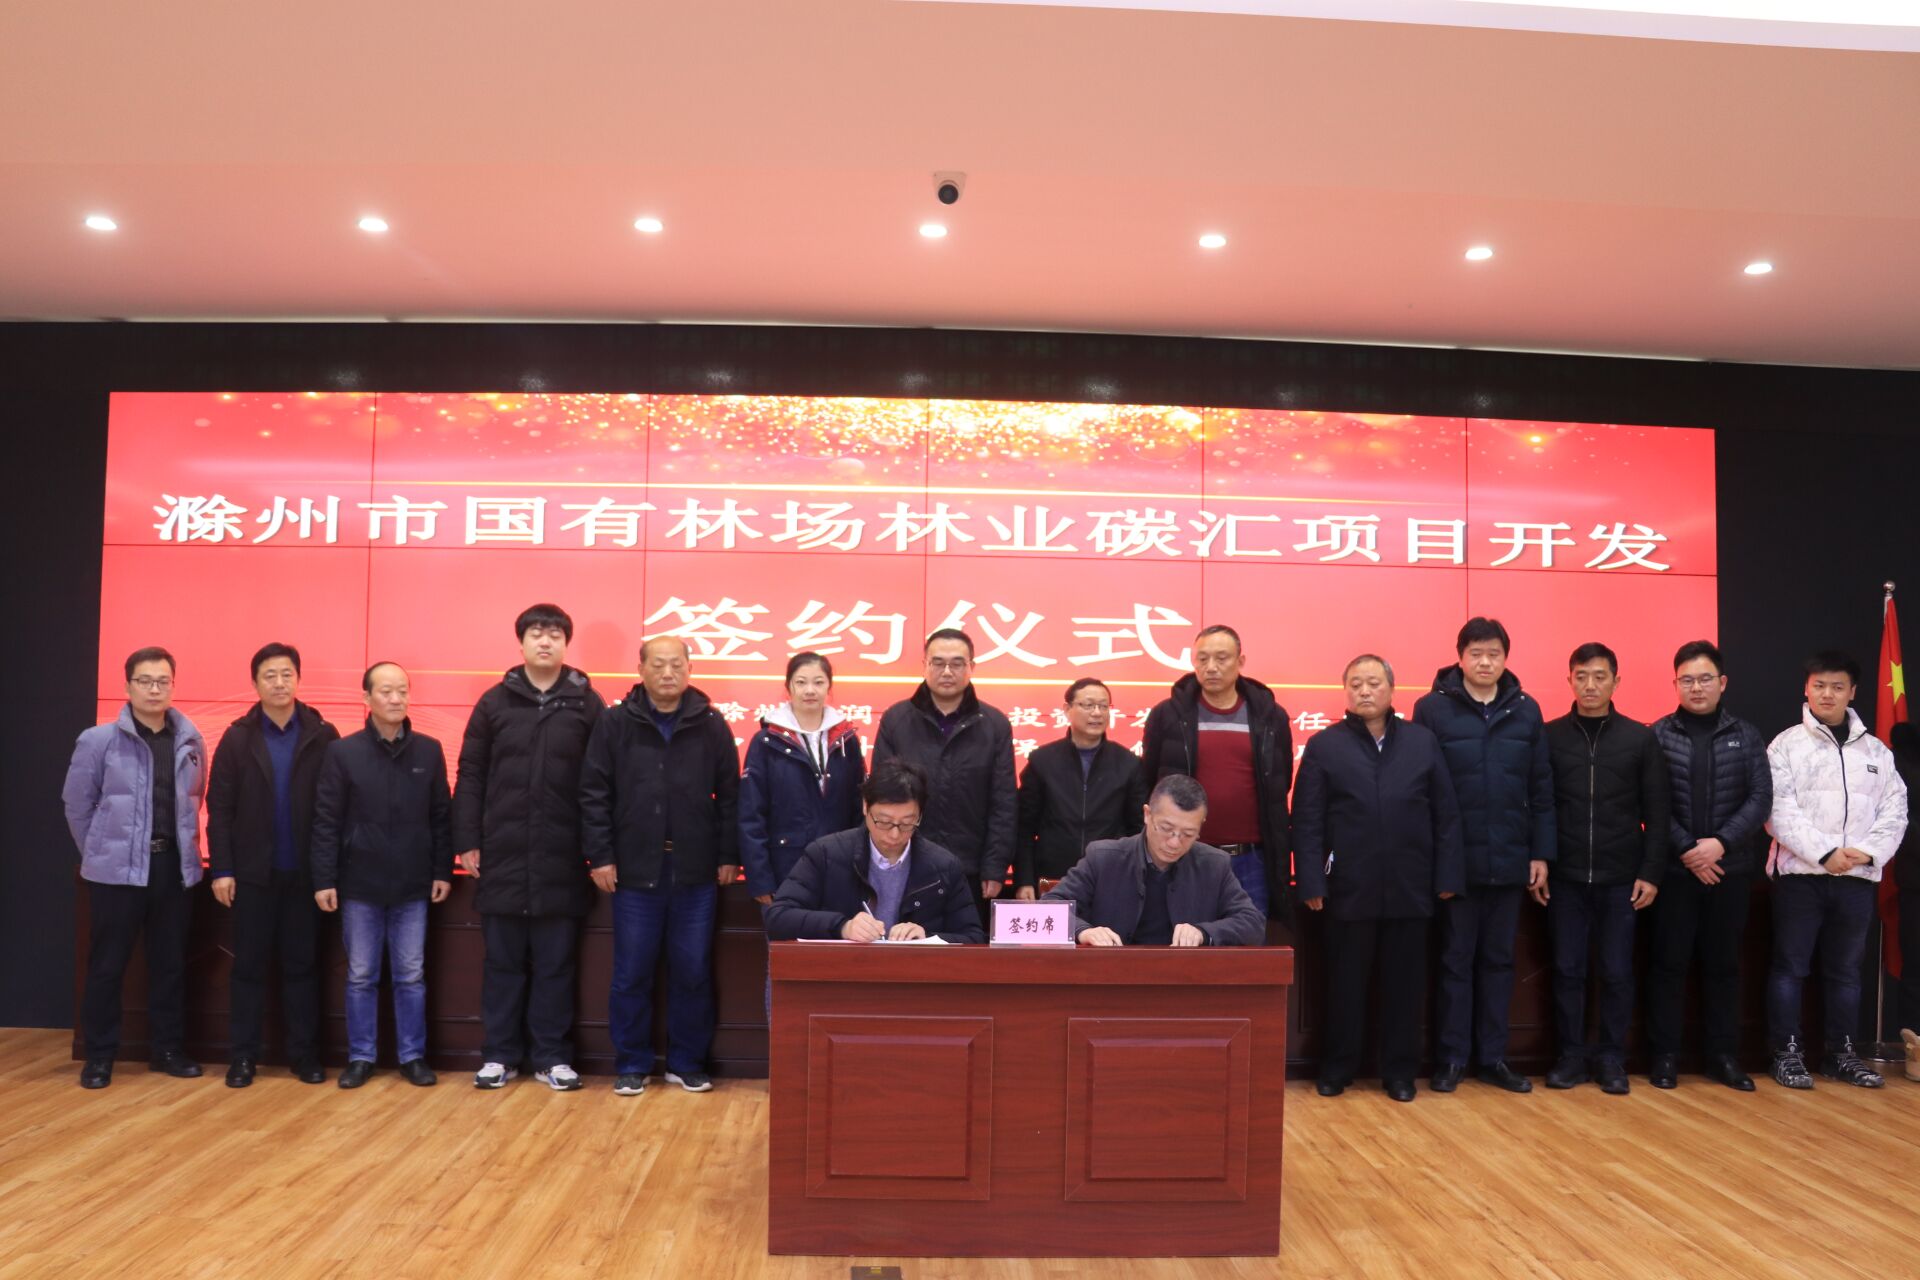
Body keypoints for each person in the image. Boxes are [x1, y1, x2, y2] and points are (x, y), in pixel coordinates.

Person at [1295, 656, 1463, 1102]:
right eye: (1356, 684)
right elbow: (1307, 819)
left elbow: (1445, 814)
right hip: (1348, 888)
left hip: (1411, 886)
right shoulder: (1325, 745)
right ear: (1345, 691)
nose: (1364, 691)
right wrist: (1311, 881)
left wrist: (1447, 874)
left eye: (1373, 683)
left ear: (1392, 689)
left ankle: (1400, 1072)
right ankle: (1337, 1068)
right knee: (1344, 984)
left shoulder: (1422, 743)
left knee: (1404, 986)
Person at [453, 604, 605, 1093]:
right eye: (537, 633)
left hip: (563, 855)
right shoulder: (494, 702)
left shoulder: (587, 703)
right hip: (502, 854)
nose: (545, 641)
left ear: (566, 644)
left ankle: (552, 1057)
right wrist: (467, 839)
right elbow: (471, 773)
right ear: (520, 642)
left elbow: (601, 782)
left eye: (555, 634)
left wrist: (597, 848)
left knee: (557, 966)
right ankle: (499, 1055)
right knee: (502, 965)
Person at [580, 636, 740, 1098]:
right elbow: (594, 792)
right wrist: (600, 855)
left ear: (689, 669)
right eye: (658, 665)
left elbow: (730, 796)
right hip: (634, 869)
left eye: (676, 664)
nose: (668, 673)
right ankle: (632, 1063)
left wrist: (728, 855)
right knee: (632, 972)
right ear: (641, 670)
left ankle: (687, 1063)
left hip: (695, 869)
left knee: (692, 970)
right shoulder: (615, 723)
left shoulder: (711, 723)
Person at [1412, 617, 1553, 1094]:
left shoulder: (1526, 710)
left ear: (1506, 658)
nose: (1485, 662)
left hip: (1510, 860)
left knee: (1498, 962)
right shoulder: (1432, 708)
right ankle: (1451, 1059)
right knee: (1454, 961)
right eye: (1476, 653)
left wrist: (1540, 853)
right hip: (1455, 863)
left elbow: (1541, 788)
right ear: (1460, 657)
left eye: (1494, 653)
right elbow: (1421, 788)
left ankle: (1493, 1058)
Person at [62, 646, 207, 1089]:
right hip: (116, 874)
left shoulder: (190, 740)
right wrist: (99, 852)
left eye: (163, 681)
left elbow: (195, 799)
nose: (154, 689)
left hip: (172, 869)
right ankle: (99, 1056)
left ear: (173, 685)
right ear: (127, 686)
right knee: (107, 967)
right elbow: (76, 805)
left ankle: (168, 1050)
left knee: (169, 965)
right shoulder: (98, 740)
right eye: (145, 681)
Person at [1764, 651, 1909, 1089]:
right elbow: (1778, 812)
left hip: (1856, 881)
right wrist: (1825, 853)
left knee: (1846, 973)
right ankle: (1787, 1053)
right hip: (1800, 878)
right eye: (1819, 685)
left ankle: (1840, 1054)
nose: (1827, 694)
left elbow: (1895, 811)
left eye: (1837, 686)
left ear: (1852, 692)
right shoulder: (1785, 745)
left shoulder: (1876, 751)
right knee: (1790, 968)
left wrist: (1865, 853)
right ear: (1806, 689)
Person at [311, 661, 453, 1090]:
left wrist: (442, 869)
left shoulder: (429, 750)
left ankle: (412, 1056)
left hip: (413, 883)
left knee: (411, 975)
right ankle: (361, 1056)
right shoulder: (343, 752)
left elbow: (441, 816)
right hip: (359, 884)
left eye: (403, 691)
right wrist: (324, 878)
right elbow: (326, 820)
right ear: (366, 698)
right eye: (386, 691)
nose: (396, 699)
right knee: (360, 976)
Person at [205, 642, 340, 1087]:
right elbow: (220, 808)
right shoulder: (237, 737)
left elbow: (335, 809)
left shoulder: (323, 734)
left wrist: (328, 872)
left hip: (305, 877)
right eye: (270, 675)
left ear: (298, 679)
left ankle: (304, 1055)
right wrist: (222, 868)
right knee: (248, 969)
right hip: (251, 877)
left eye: (287, 674)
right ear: (255, 683)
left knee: (303, 968)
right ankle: (243, 1057)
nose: (279, 683)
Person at [1540, 642, 1670, 1096]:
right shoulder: (1549, 736)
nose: (1590, 685)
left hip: (1621, 879)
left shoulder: (1640, 738)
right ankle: (1571, 1056)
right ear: (1569, 680)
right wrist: (1541, 862)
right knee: (1567, 970)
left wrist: (1651, 872)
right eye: (1581, 676)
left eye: (1599, 676)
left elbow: (1658, 812)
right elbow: (1538, 806)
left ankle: (1612, 1057)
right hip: (1565, 877)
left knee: (1616, 972)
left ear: (1616, 681)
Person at [1644, 640, 1771, 1091]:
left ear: (1722, 682)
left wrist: (1720, 844)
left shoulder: (1747, 735)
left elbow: (1760, 798)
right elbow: (1652, 803)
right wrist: (1688, 850)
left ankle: (1723, 1057)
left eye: (1704, 679)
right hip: (1675, 873)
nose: (1695, 687)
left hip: (1729, 871)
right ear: (1675, 684)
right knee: (1668, 965)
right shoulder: (1658, 734)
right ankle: (1664, 1057)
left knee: (1724, 967)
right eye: (1687, 680)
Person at [1139, 624, 1292, 920]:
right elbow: (1149, 781)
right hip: (1184, 853)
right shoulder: (1167, 715)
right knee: (1182, 939)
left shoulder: (1270, 715)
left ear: (1240, 661)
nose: (1211, 667)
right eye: (1202, 659)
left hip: (1252, 858)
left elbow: (1279, 781)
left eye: (1221, 658)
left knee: (1248, 939)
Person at [871, 629, 1016, 917]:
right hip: (905, 860)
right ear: (924, 665)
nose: (947, 671)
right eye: (938, 663)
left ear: (972, 667)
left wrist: (995, 866)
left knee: (965, 942)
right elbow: (880, 796)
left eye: (957, 663)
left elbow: (1004, 802)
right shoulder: (896, 719)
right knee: (902, 939)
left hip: (970, 867)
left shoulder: (994, 724)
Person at [764, 761, 984, 943]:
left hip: (914, 976)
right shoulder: (826, 854)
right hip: (843, 973)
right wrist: (842, 927)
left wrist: (927, 936)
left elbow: (973, 937)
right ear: (865, 807)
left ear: (920, 816)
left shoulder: (943, 866)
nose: (894, 835)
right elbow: (777, 918)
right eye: (884, 822)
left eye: (907, 823)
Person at [1041, 774, 1265, 947]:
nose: (1174, 843)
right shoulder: (1103, 858)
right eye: (1166, 829)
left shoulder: (1214, 864)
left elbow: (1253, 923)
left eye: (1188, 834)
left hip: (1184, 981)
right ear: (1147, 815)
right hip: (1112, 978)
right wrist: (1083, 931)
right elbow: (1046, 910)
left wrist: (1204, 933)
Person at [740, 651, 867, 906]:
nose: (810, 690)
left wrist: (860, 868)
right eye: (801, 682)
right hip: (783, 868)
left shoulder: (846, 740)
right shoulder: (766, 742)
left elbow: (859, 809)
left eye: (818, 682)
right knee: (787, 932)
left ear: (829, 687)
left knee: (836, 932)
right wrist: (760, 879)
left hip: (839, 866)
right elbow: (751, 815)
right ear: (788, 687)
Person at [1013, 677, 1145, 898]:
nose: (1097, 713)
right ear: (1067, 709)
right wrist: (1024, 880)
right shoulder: (1042, 761)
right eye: (1088, 705)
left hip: (1110, 874)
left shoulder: (1128, 764)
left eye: (1104, 706)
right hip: (1051, 876)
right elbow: (1024, 828)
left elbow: (1138, 829)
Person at [1892, 721, 1919, 1077]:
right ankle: (1917, 1052)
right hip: (1917, 879)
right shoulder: (1905, 753)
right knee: (1916, 967)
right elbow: (1900, 818)